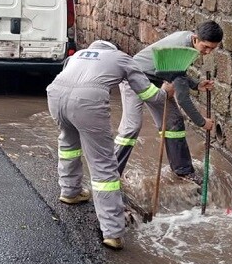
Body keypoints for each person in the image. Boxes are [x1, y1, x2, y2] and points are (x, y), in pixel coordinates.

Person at [46, 40, 173, 250]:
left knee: (68, 144)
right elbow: (149, 95)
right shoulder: (122, 58)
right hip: (87, 102)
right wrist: (165, 92)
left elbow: (67, 76)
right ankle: (112, 232)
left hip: (55, 96)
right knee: (103, 165)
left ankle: (69, 192)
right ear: (113, 49)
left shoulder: (77, 55)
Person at [114, 21, 224, 183]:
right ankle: (110, 175)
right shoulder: (180, 50)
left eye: (212, 49)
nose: (207, 52)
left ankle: (183, 171)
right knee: (132, 127)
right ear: (195, 38)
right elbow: (183, 99)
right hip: (134, 78)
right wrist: (202, 122)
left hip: (155, 79)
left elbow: (176, 72)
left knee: (174, 121)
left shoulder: (188, 42)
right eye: (205, 47)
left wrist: (196, 84)